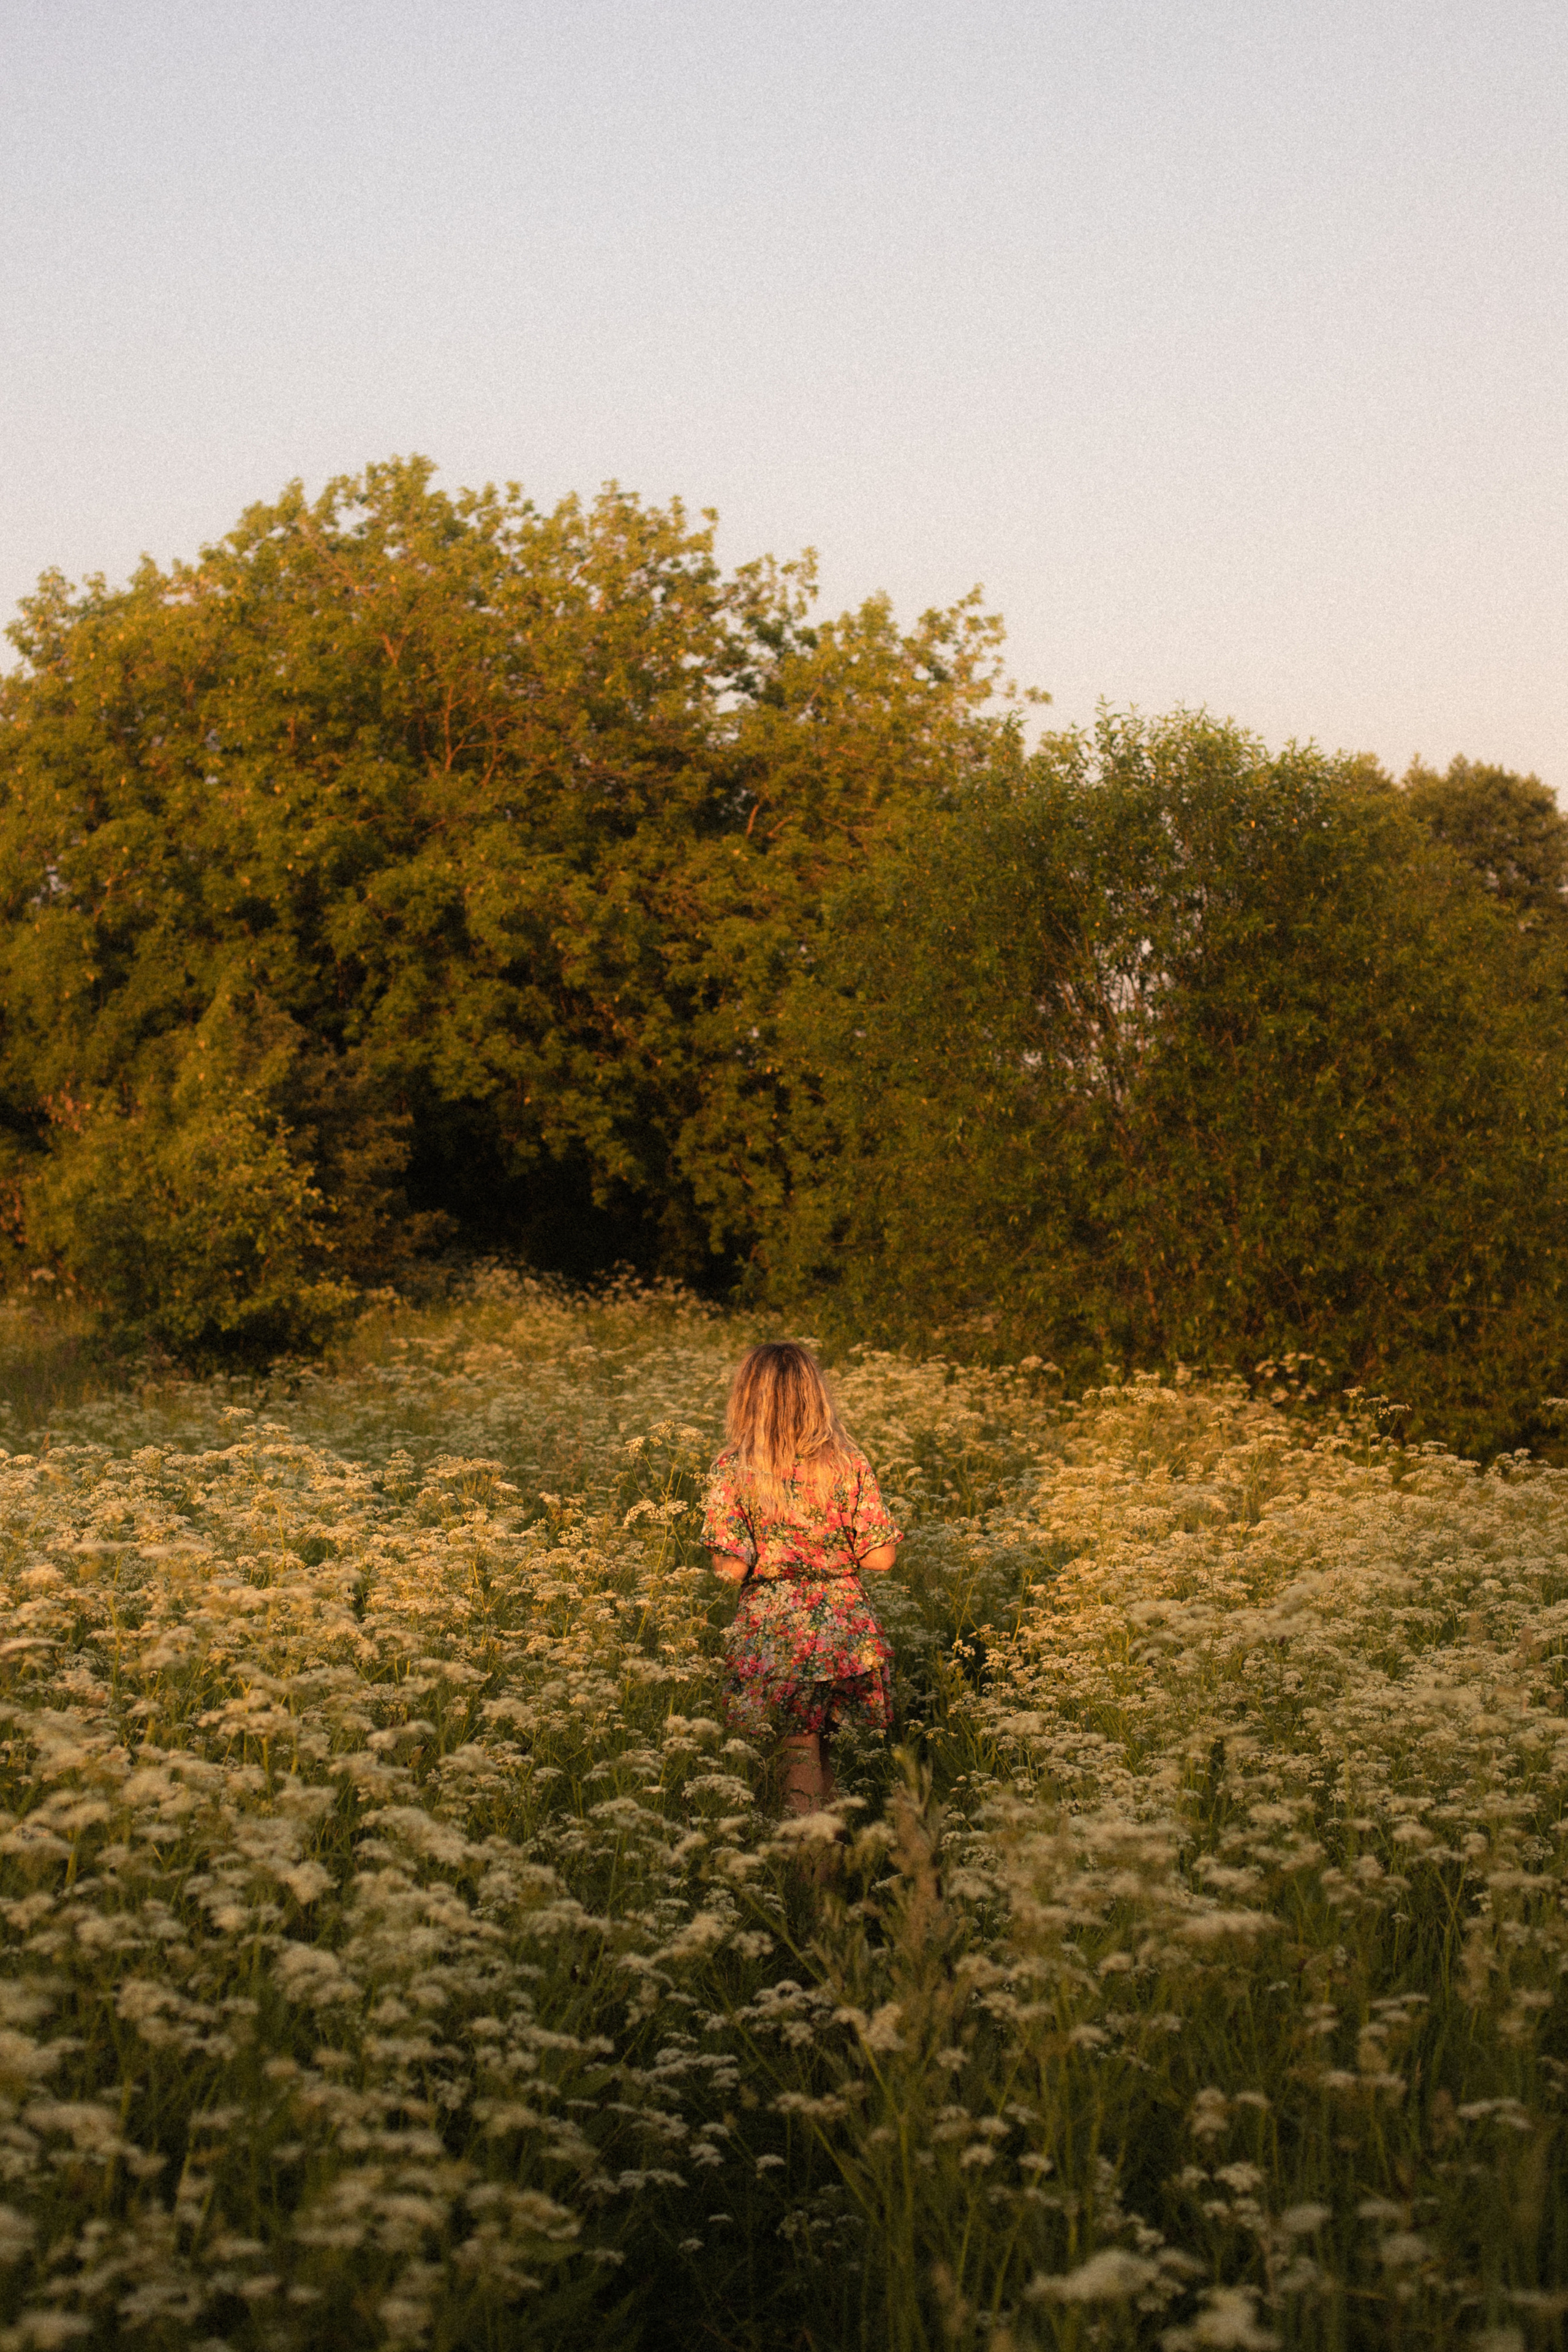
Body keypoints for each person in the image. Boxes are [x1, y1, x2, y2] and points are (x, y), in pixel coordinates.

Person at [701, 1340, 901, 1817]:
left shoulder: (735, 1468)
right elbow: (881, 1558)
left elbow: (733, 1569)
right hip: (845, 1629)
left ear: (748, 1397)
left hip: (779, 1631)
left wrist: (734, 1551)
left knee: (796, 1751)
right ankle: (832, 1855)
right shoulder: (848, 1462)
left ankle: (808, 1860)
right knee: (821, 1750)